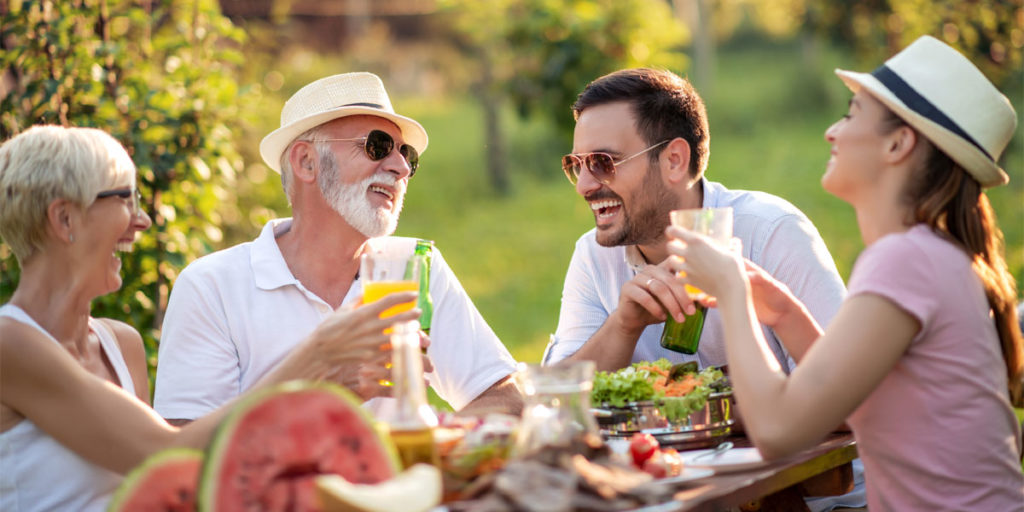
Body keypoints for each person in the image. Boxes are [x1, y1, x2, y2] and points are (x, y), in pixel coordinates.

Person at [666, 35, 1024, 510]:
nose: (832, 131)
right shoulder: (932, 254)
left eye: (852, 114)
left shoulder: (905, 261)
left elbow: (777, 431)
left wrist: (731, 289)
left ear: (899, 142)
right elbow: (857, 399)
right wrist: (783, 311)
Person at [0, 125, 415, 511]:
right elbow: (166, 450)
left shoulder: (120, 344)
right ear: (64, 218)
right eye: (123, 200)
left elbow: (166, 481)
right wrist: (317, 356)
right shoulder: (9, 344)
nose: (142, 221)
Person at [153, 72, 521, 424]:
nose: (401, 168)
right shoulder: (211, 287)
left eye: (406, 154)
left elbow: (505, 400)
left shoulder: (414, 267)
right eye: (377, 146)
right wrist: (324, 391)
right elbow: (187, 457)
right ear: (306, 162)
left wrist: (425, 443)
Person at [543, 67, 845, 375]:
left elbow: (844, 390)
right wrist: (622, 326)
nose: (584, 186)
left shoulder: (771, 233)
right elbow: (554, 397)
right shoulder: (594, 256)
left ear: (674, 160)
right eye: (576, 164)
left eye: (603, 162)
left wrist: (695, 408)